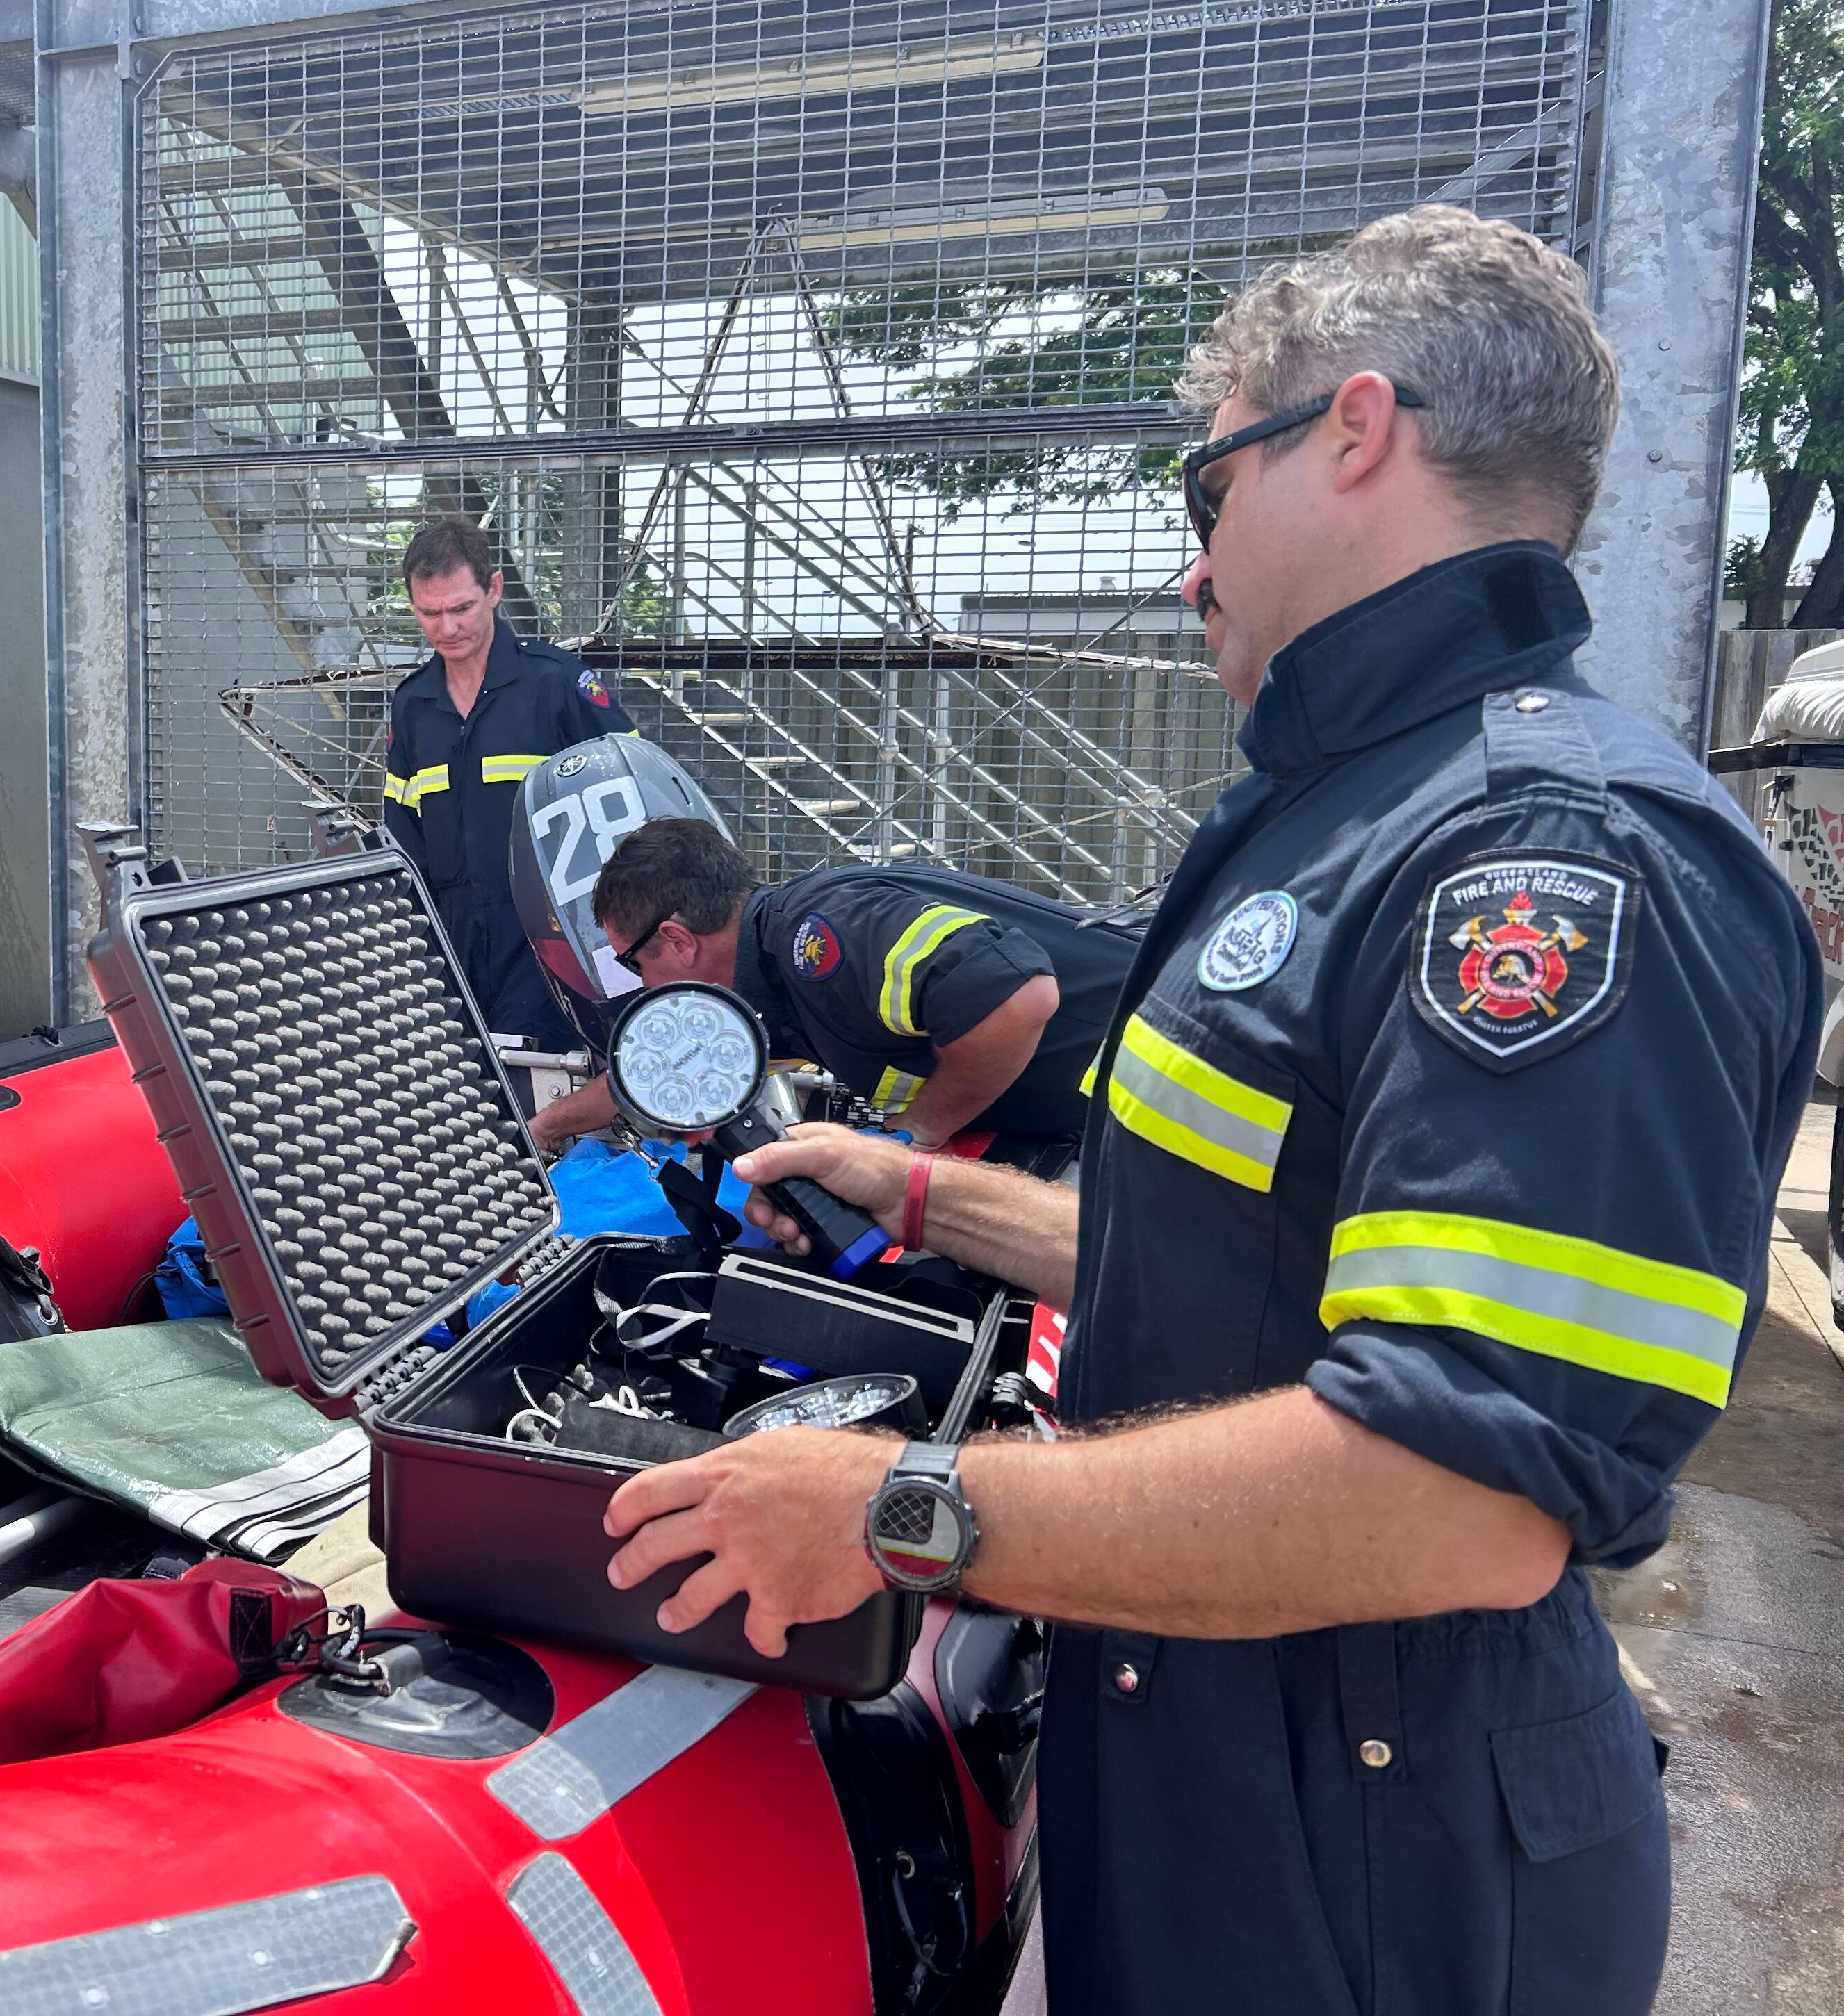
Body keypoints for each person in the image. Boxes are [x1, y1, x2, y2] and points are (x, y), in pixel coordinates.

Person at [598, 206, 1819, 2015]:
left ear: (1357, 429)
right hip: (1222, 1748)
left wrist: (897, 1508)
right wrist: (915, 1193)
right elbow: (1249, 1254)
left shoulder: (1544, 857)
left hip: (1375, 1839)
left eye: (1208, 487)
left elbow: (1457, 1490)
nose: (1190, 568)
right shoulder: (1352, 813)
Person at [524, 817, 1123, 1149]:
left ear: (678, 940)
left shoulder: (818, 935)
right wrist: (544, 1129)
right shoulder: (762, 984)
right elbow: (652, 1075)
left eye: (633, 964)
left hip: (1159, 1083)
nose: (645, 988)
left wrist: (916, 1135)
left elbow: (1019, 999)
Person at [380, 516, 632, 1051]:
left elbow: (636, 804)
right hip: (450, 944)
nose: (447, 629)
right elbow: (402, 833)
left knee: (545, 1073)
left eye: (461, 608)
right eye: (429, 613)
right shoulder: (412, 704)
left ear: (493, 590)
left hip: (550, 938)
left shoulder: (557, 683)